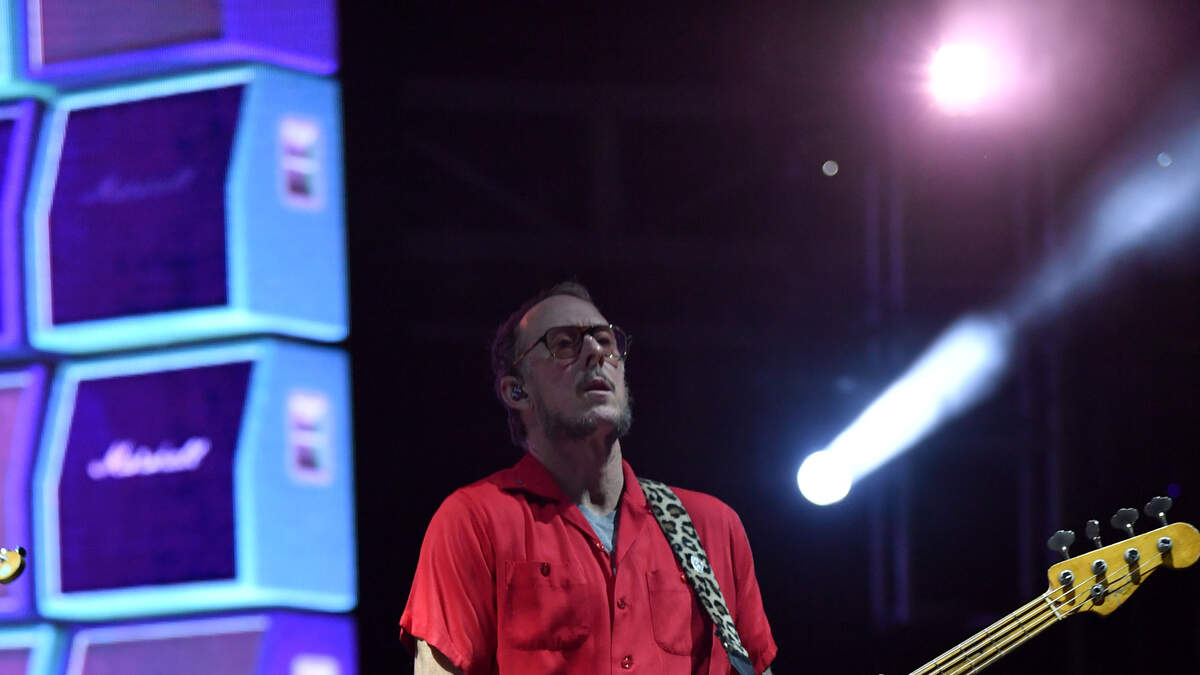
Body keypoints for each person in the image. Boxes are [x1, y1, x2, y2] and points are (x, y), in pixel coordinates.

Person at [399, 281, 777, 674]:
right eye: (564, 343)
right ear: (517, 391)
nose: (596, 352)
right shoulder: (473, 520)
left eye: (606, 341)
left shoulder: (711, 527)